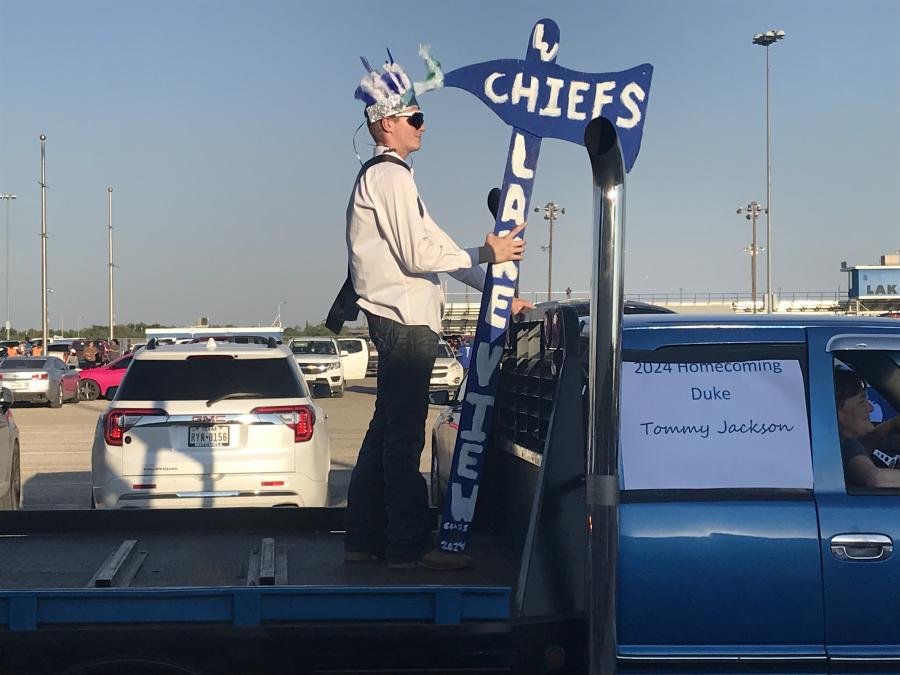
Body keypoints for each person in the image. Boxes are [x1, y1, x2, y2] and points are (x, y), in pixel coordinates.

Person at [342, 49, 533, 571]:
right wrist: (486, 254)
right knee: (401, 438)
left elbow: (437, 247)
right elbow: (421, 255)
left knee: (386, 430)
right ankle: (406, 547)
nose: (423, 126)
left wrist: (496, 283)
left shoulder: (393, 178)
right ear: (386, 125)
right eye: (415, 118)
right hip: (404, 321)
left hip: (402, 319)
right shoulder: (390, 178)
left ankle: (362, 540)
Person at [835, 369, 900, 488]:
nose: (871, 408)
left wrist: (892, 425)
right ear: (837, 413)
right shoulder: (844, 446)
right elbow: (875, 479)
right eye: (861, 402)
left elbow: (866, 443)